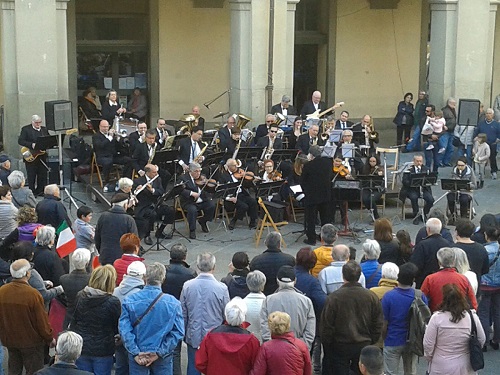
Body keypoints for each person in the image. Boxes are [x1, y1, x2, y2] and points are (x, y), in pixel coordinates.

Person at [119, 262, 184, 374]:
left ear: (144, 278)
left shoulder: (129, 301)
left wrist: (135, 352)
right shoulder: (173, 303)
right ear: (163, 279)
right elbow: (178, 332)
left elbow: (124, 330)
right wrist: (159, 353)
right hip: (162, 358)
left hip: (139, 355)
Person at [320, 261, 383, 375]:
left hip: (339, 345)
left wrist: (328, 344)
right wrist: (372, 340)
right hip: (363, 343)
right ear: (359, 276)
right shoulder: (371, 296)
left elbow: (327, 325)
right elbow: (378, 322)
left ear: (343, 276)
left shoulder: (334, 297)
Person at [0, 259, 55, 375]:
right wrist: (49, 338)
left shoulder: (2, 291)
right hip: (31, 343)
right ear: (27, 274)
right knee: (34, 371)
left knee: (14, 369)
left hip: (10, 340)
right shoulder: (33, 294)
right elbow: (41, 321)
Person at [180, 253, 230, 375]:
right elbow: (226, 314)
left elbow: (183, 313)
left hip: (193, 333)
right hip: (214, 336)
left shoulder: (188, 286)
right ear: (214, 267)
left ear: (197, 266)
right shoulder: (221, 288)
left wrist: (184, 332)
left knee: (193, 366)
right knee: (214, 367)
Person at [423, 283, 485, 375]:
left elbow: (428, 344)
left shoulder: (436, 318)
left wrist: (430, 357)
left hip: (441, 365)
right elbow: (481, 339)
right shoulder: (472, 317)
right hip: (466, 366)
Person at [70, 265, 121, 375]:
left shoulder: (80, 296)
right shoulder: (112, 302)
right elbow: (117, 327)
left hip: (82, 346)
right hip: (103, 350)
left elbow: (74, 320)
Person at [381, 262, 426, 375]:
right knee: (410, 372)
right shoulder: (420, 296)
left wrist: (384, 338)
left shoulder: (389, 296)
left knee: (390, 373)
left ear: (398, 277)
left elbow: (384, 322)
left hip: (393, 339)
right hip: (413, 340)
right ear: (413, 280)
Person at [195, 297, 260, 375]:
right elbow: (256, 368)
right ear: (244, 316)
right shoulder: (252, 341)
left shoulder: (210, 336)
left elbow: (200, 363)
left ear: (226, 315)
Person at [260, 265, 316, 350]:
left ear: (277, 281)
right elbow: (310, 330)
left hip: (274, 351)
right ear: (295, 281)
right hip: (298, 349)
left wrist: (270, 345)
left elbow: (264, 327)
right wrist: (304, 346)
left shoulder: (268, 300)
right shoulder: (306, 301)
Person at [162, 243, 197, 375]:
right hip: (181, 313)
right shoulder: (191, 273)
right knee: (177, 347)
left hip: (165, 310)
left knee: (170, 348)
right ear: (185, 257)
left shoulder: (164, 271)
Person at [294, 247, 327, 374]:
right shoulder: (312, 282)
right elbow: (322, 301)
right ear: (313, 264)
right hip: (304, 324)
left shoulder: (288, 273)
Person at [421, 247, 478, 312]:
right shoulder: (463, 279)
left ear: (439, 262)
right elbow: (473, 303)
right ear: (453, 261)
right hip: (458, 316)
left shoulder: (430, 279)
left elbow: (421, 300)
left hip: (436, 316)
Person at [11, 241, 64, 308]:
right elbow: (44, 295)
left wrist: (43, 283)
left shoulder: (11, 269)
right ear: (31, 256)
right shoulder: (31, 273)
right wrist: (59, 289)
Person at [133, 164, 175, 244]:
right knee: (152, 214)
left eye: (156, 172)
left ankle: (160, 231)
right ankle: (147, 235)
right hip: (144, 206)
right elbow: (133, 194)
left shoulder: (158, 179)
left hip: (156, 203)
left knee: (170, 211)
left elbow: (161, 191)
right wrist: (136, 190)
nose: (156, 174)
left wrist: (152, 190)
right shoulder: (138, 181)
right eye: (154, 172)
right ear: (147, 173)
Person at [301, 145, 334, 245]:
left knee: (311, 218)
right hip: (325, 194)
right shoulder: (328, 163)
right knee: (325, 218)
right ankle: (325, 238)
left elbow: (303, 181)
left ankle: (311, 239)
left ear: (311, 154)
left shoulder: (308, 165)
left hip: (312, 195)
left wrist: (305, 191)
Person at [95, 192, 138, 265]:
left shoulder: (103, 216)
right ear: (125, 205)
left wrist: (102, 251)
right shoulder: (129, 220)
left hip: (105, 256)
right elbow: (134, 241)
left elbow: (97, 238)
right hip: (122, 259)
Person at [249, 231, 296, 296]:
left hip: (264, 294)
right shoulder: (290, 259)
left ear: (266, 243)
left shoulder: (256, 261)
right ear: (279, 244)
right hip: (283, 293)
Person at [410, 218, 451, 288]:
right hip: (442, 281)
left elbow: (416, 264)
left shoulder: (422, 245)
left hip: (424, 281)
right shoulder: (447, 244)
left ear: (428, 229)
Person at [219, 158, 258, 230]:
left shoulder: (240, 173)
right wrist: (229, 198)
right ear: (229, 167)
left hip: (241, 194)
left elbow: (247, 186)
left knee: (253, 202)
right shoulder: (223, 176)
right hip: (231, 197)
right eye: (234, 165)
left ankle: (253, 222)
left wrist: (251, 180)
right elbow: (221, 191)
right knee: (244, 206)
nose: (237, 167)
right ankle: (234, 220)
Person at [179, 162, 216, 239]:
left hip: (202, 199)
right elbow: (180, 190)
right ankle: (192, 230)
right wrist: (191, 193)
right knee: (192, 210)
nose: (198, 173)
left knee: (212, 205)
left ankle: (203, 220)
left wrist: (212, 186)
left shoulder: (202, 177)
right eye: (196, 171)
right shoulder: (183, 178)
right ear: (190, 171)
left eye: (199, 171)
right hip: (189, 201)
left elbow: (208, 189)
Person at [478, 227, 500, 352]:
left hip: (485, 284)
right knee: (498, 312)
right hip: (498, 284)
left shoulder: (484, 250)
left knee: (484, 313)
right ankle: (496, 340)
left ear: (486, 235)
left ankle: (484, 341)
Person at [92, 120, 132, 188]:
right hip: (103, 157)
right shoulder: (96, 136)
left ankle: (125, 179)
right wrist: (109, 137)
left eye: (107, 127)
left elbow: (118, 147)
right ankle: (107, 181)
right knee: (108, 162)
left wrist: (118, 139)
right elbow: (100, 146)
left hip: (113, 156)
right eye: (104, 127)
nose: (105, 128)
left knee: (128, 160)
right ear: (99, 127)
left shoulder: (111, 136)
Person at [18, 114, 50, 196]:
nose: (38, 124)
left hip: (42, 155)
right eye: (36, 122)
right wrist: (31, 144)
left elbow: (48, 139)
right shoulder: (26, 129)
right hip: (30, 154)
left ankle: (40, 190)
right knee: (31, 175)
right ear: (32, 122)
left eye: (39, 122)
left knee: (42, 174)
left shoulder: (44, 129)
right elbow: (21, 141)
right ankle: (32, 192)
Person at [399, 154, 435, 225]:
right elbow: (404, 181)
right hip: (412, 189)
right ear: (414, 161)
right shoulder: (409, 170)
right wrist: (412, 183)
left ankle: (424, 213)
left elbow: (430, 180)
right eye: (417, 161)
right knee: (413, 197)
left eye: (420, 161)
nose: (419, 163)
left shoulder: (426, 169)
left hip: (423, 189)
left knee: (431, 200)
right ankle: (416, 215)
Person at [453, 218, 490, 287]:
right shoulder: (481, 248)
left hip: (456, 287)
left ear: (456, 232)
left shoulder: (452, 249)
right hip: (475, 285)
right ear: (472, 233)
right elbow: (485, 270)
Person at [60, 248, 91, 329]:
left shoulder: (63, 279)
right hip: (86, 319)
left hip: (69, 317)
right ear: (87, 263)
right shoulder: (90, 280)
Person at [473, 107, 500, 179]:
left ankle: (493, 172)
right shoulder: (481, 124)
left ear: (493, 115)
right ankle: (480, 173)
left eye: (490, 113)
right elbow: (476, 132)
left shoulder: (497, 124)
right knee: (480, 158)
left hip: (492, 144)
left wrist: (498, 139)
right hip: (481, 144)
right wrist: (475, 138)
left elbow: (499, 133)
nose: (488, 115)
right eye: (487, 113)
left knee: (492, 158)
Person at [243, 270, 267, 343]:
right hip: (264, 342)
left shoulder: (242, 304)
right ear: (263, 286)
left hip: (247, 342)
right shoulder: (268, 304)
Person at [72, 206, 95, 270]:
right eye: (89, 216)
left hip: (78, 247)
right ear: (83, 216)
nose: (91, 218)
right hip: (87, 250)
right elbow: (95, 240)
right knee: (88, 269)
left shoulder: (76, 222)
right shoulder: (85, 228)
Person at [441, 98, 457, 167]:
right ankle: (440, 161)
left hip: (452, 131)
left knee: (450, 148)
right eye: (454, 104)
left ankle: (446, 161)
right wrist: (444, 126)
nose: (455, 105)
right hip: (445, 131)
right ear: (449, 103)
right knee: (443, 147)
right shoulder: (444, 110)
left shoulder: (453, 110)